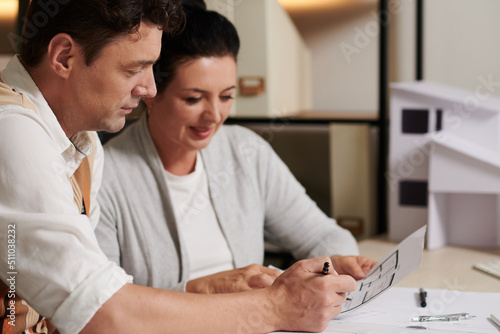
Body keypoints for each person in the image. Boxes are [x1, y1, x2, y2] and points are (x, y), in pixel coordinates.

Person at [0, 0, 357, 333]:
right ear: (64, 56)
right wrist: (276, 306)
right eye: (134, 69)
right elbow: (101, 311)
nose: (150, 88)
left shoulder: (84, 143)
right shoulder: (10, 129)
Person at [95, 0, 377, 296]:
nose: (214, 115)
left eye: (227, 96)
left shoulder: (246, 152)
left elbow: (323, 234)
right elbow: (107, 307)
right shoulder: (106, 177)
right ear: (151, 92)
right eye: (194, 99)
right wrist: (202, 289)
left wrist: (335, 263)